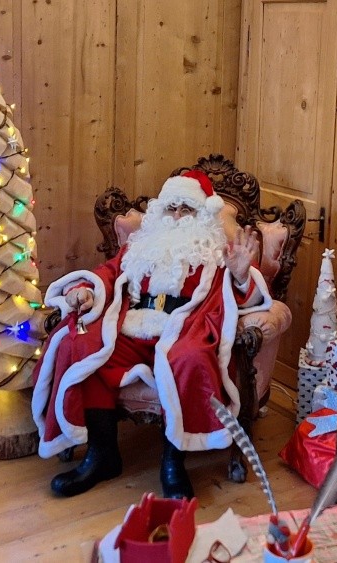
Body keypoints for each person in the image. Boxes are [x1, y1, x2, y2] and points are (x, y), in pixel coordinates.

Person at [31, 170, 272, 499]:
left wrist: (242, 275)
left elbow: (244, 300)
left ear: (202, 214)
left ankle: (173, 462)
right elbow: (108, 273)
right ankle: (102, 454)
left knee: (189, 358)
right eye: (171, 208)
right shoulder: (141, 246)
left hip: (183, 329)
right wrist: (85, 290)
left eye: (186, 209)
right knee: (83, 344)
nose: (176, 216)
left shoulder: (217, 252)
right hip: (133, 327)